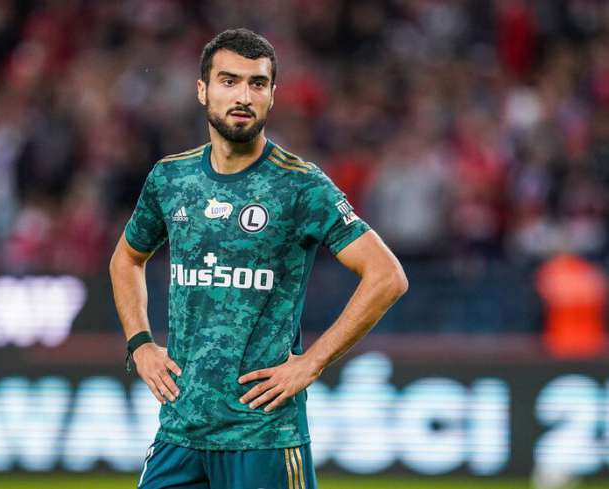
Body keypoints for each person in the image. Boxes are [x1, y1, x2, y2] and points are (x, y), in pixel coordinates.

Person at [109, 28, 407, 489]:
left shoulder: (301, 185)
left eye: (257, 83)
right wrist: (140, 344)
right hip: (181, 431)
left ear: (272, 95)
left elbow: (386, 276)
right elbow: (126, 259)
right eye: (229, 81)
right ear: (202, 90)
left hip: (264, 435)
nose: (244, 96)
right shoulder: (171, 178)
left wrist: (312, 362)